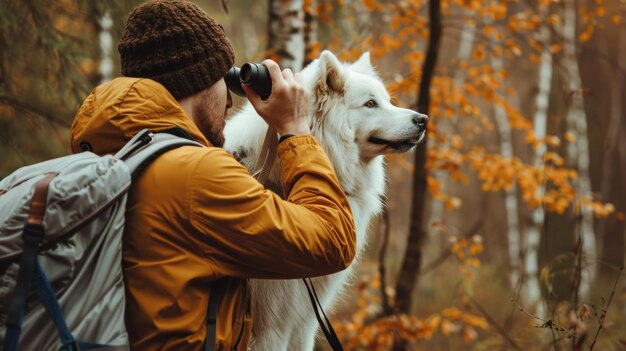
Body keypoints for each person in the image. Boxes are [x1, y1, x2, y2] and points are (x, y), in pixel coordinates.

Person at [69, 0, 355, 350]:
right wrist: (295, 128)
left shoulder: (104, 155)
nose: (232, 102)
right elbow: (332, 241)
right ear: (201, 82)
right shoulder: (194, 175)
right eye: (225, 80)